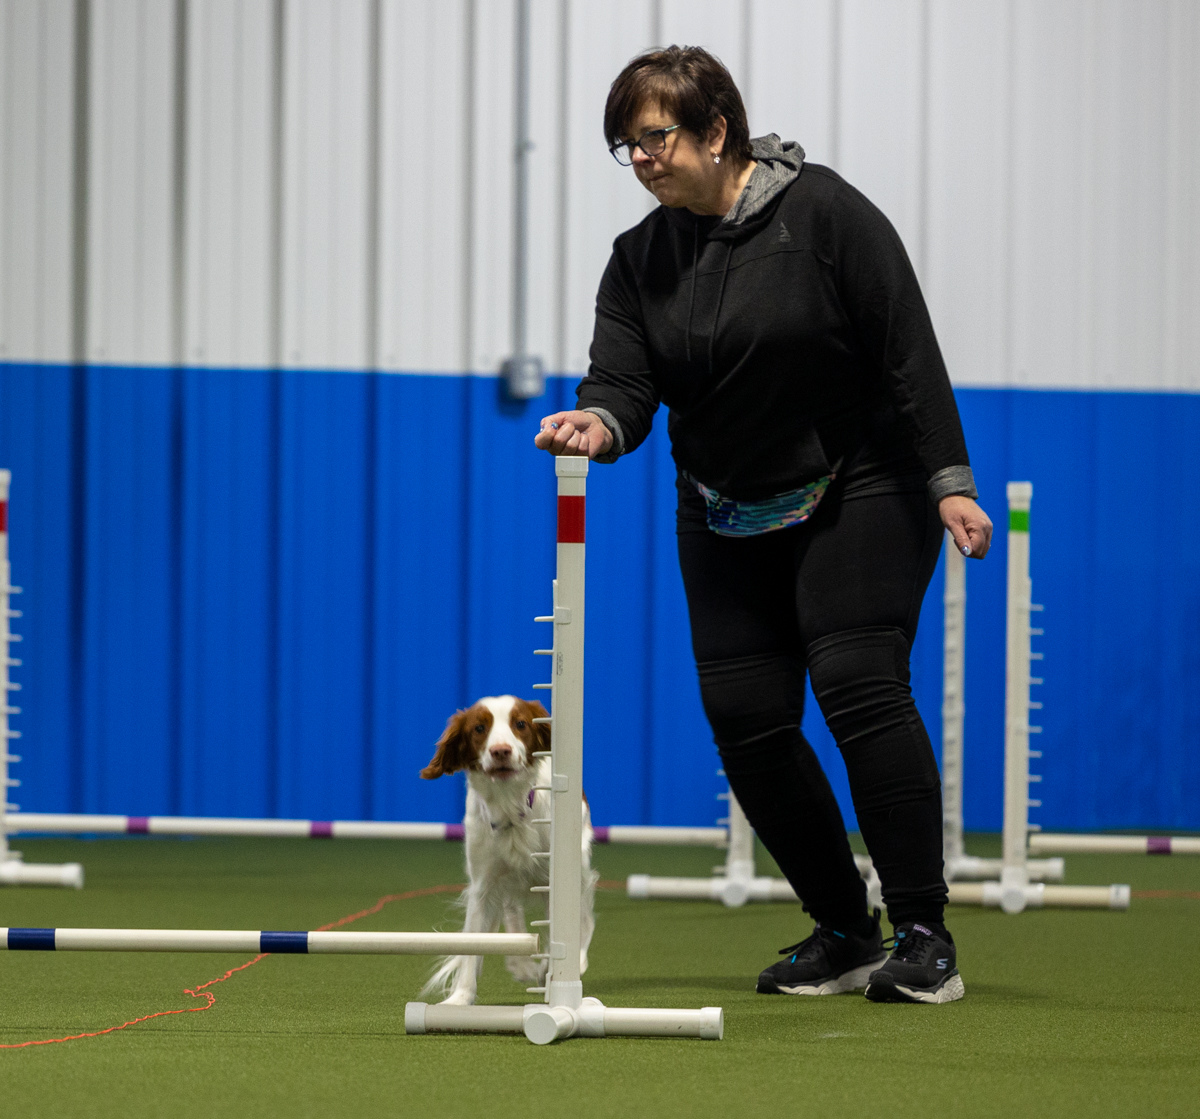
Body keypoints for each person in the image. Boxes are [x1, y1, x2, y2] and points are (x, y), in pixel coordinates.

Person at [534, 46, 992, 1004]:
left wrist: (948, 479)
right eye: (627, 145)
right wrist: (597, 422)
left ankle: (923, 932)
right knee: (745, 718)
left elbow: (907, 347)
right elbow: (623, 383)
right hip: (722, 499)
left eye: (656, 137)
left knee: (857, 682)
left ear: (717, 132)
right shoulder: (639, 258)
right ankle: (844, 930)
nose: (642, 159)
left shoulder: (825, 215)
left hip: (862, 478)